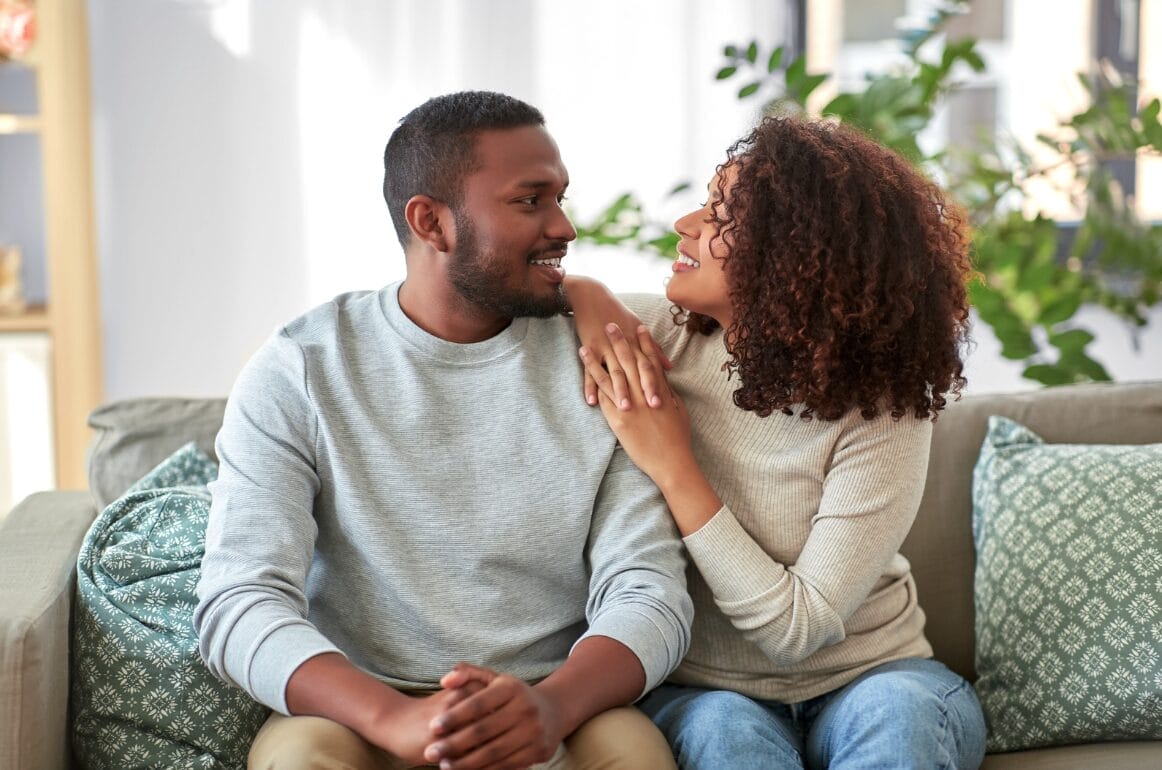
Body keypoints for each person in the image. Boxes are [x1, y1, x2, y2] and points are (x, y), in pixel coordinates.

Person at [194, 90, 692, 770]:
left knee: (634, 755)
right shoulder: (300, 370)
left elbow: (649, 591)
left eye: (560, 199)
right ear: (431, 222)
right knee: (300, 760)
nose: (565, 227)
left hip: (558, 706)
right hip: (361, 714)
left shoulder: (601, 359)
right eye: (530, 200)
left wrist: (550, 707)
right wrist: (394, 717)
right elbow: (238, 601)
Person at [566, 114, 987, 769]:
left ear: (796, 252)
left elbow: (802, 626)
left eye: (721, 215)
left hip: (876, 678)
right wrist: (586, 291)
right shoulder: (654, 339)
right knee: (727, 736)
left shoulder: (882, 408)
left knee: (897, 723)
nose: (686, 225)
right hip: (705, 693)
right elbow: (523, 289)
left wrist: (674, 465)